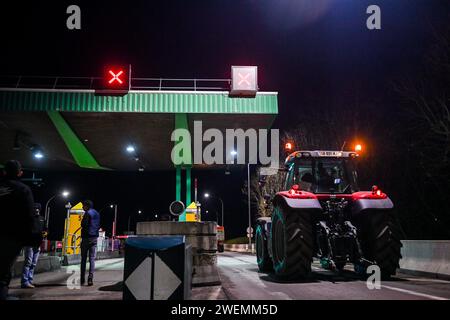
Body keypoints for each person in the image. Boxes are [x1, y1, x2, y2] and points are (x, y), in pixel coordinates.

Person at [0, 160, 35, 300]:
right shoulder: (23, 189)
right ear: (20, 173)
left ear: (4, 172)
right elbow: (29, 215)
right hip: (11, 236)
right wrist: (30, 237)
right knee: (3, 270)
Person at [21, 203, 44, 289]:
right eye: (34, 208)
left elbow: (44, 230)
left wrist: (44, 234)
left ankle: (30, 280)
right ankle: (24, 281)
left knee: (33, 264)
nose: (36, 210)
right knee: (28, 262)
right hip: (29, 244)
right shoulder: (29, 219)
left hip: (37, 245)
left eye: (38, 208)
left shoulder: (42, 219)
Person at [80, 200, 100, 286]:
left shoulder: (87, 213)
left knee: (83, 259)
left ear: (87, 206)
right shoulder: (97, 213)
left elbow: (83, 224)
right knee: (92, 258)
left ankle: (82, 279)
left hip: (86, 238)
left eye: (83, 205)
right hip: (94, 238)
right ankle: (90, 278)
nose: (82, 207)